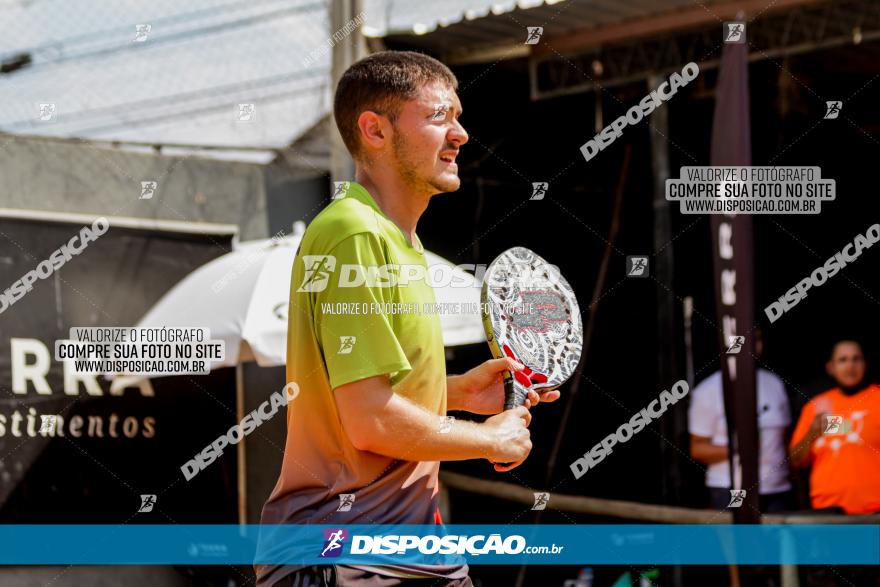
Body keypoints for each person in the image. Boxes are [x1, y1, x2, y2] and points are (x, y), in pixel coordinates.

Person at [254, 51, 559, 587]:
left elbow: (358, 399)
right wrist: (489, 440)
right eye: (439, 116)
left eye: (458, 116)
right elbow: (370, 420)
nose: (461, 133)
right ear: (374, 129)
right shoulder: (355, 233)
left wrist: (458, 392)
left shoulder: (401, 243)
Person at [688, 331, 794, 512]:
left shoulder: (775, 384)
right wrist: (738, 447)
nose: (752, 345)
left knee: (779, 540)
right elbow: (697, 449)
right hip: (730, 486)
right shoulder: (709, 390)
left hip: (777, 487)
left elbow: (784, 439)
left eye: (757, 339)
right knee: (742, 539)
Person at [789, 340, 880, 514]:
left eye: (856, 359)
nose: (850, 366)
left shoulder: (877, 399)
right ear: (831, 367)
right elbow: (795, 461)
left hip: (874, 512)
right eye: (843, 360)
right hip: (827, 512)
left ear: (865, 364)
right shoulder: (816, 406)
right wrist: (812, 433)